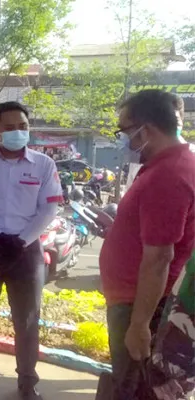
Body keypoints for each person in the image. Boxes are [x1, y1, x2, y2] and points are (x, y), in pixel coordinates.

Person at [0, 102, 62, 400]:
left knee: (27, 320)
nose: (18, 132)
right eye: (10, 127)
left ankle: (27, 381)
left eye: (23, 126)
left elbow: (49, 207)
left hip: (25, 252)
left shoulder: (44, 164)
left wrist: (22, 240)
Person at [98, 89, 195, 400]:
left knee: (135, 388)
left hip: (140, 306)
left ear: (146, 129)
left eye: (125, 129)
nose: (124, 138)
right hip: (137, 300)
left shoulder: (169, 174)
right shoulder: (171, 164)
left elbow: (159, 258)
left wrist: (139, 325)